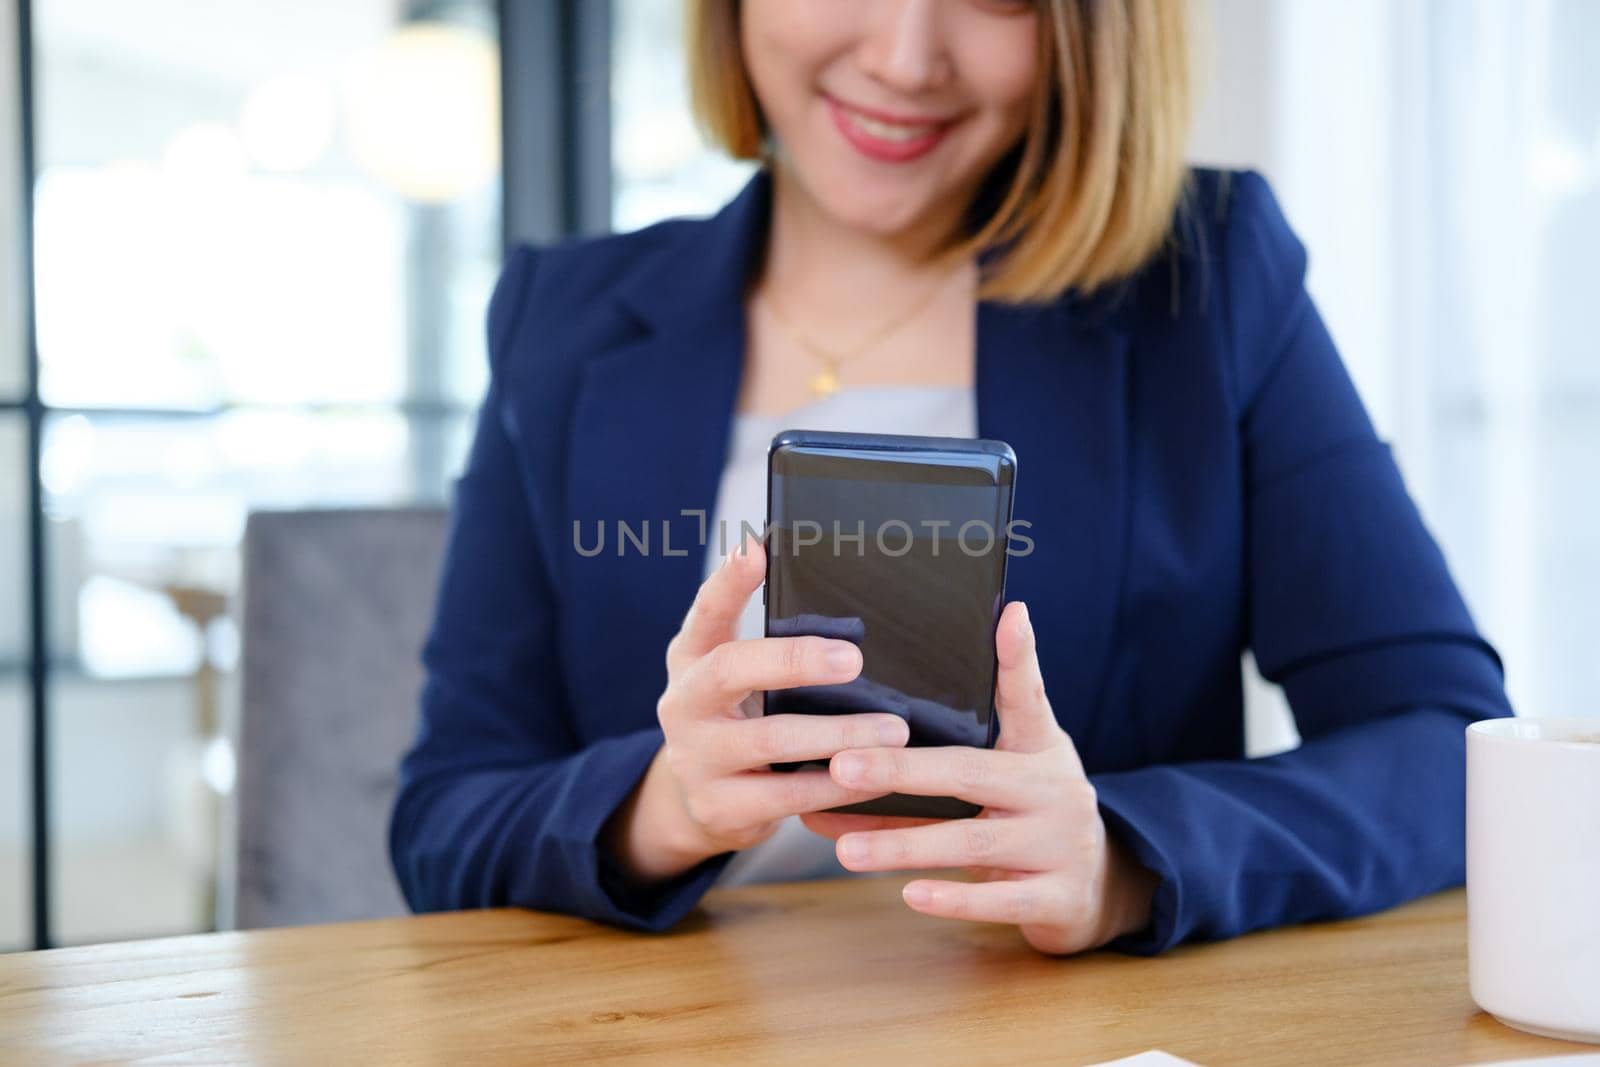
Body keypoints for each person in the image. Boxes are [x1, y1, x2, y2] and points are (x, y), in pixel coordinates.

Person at [388, 0, 1513, 956]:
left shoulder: (1204, 277)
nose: (905, 58)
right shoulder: (563, 322)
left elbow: (1447, 747)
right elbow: (444, 818)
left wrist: (1117, 857)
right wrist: (661, 806)